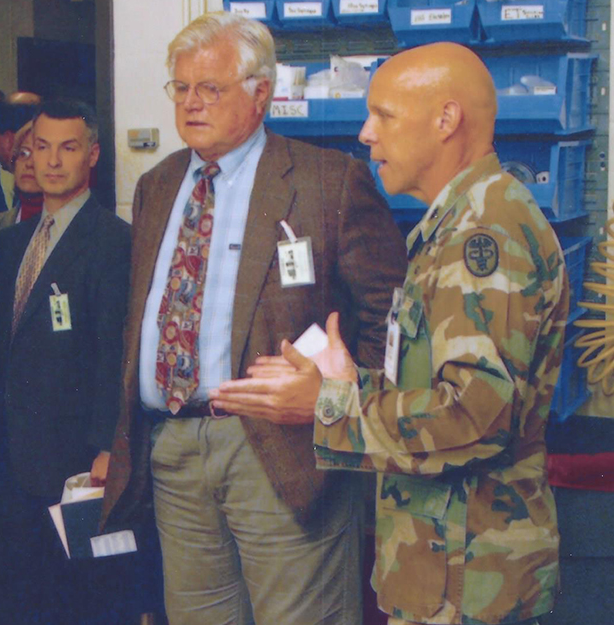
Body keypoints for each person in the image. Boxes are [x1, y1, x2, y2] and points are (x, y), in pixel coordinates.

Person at [211, 42, 568, 625]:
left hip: (468, 579)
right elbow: (443, 386)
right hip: (439, 568)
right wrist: (350, 381)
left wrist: (328, 407)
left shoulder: (486, 236)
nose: (365, 134)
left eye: (385, 115)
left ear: (446, 120)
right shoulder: (452, 224)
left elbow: (478, 420)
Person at [99, 12, 407, 625]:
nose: (191, 103)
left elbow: (387, 320)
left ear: (260, 92)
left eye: (209, 88)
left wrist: (334, 405)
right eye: (180, 88)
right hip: (173, 444)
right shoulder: (158, 185)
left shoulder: (326, 180)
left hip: (281, 450)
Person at [0, 98, 132, 624]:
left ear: (92, 155)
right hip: (14, 455)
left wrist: (108, 446)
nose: (52, 161)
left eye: (67, 148)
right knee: (18, 597)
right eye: (40, 147)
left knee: (80, 601)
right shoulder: (10, 241)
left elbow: (115, 352)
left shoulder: (114, 242)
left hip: (76, 460)